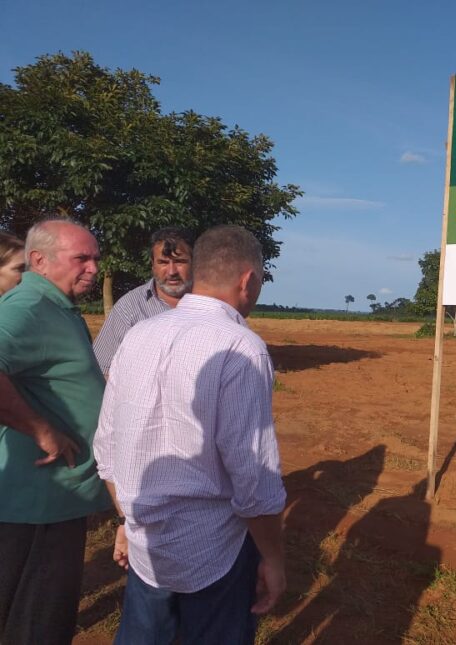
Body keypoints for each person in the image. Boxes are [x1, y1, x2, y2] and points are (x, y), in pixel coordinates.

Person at [94, 225, 286, 643]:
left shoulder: (137, 337)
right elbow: (253, 479)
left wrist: (127, 519)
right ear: (248, 280)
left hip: (146, 542)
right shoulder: (242, 347)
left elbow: (106, 447)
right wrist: (273, 557)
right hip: (214, 550)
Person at [0, 218, 111, 644]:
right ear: (39, 261)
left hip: (57, 498)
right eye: (81, 258)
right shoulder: (27, 309)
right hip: (36, 502)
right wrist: (40, 428)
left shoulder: (54, 308)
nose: (93, 268)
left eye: (95, 259)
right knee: (35, 623)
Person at [93, 227, 194, 373]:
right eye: (163, 262)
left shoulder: (214, 302)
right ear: (152, 265)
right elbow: (102, 370)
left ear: (194, 263)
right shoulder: (129, 308)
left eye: (179, 262)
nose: (172, 272)